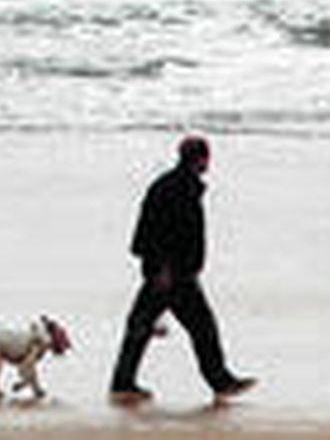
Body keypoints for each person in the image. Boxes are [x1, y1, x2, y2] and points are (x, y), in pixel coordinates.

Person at [109, 135, 256, 405]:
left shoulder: (171, 184)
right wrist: (164, 269)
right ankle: (220, 381)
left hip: (168, 271)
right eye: (207, 158)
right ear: (201, 159)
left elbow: (146, 231)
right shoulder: (180, 188)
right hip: (173, 274)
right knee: (202, 328)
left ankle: (122, 383)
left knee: (140, 327)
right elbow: (164, 232)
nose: (208, 163)